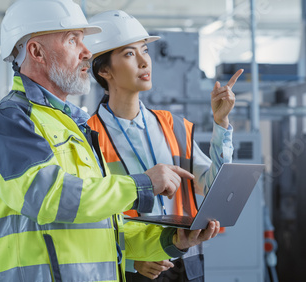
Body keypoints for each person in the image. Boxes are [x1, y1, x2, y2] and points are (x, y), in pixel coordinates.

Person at [0, 1, 220, 281]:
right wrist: (142, 184)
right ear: (36, 52)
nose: (87, 52)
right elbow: (50, 198)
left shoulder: (74, 126)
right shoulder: (9, 122)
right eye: (73, 40)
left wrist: (171, 240)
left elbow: (103, 227)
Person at [85, 10, 243, 282]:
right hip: (130, 269)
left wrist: (221, 122)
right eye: (129, 54)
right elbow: (89, 213)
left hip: (185, 260)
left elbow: (212, 185)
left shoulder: (175, 126)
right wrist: (131, 259)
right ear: (104, 70)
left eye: (145, 50)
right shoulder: (88, 136)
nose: (145, 61)